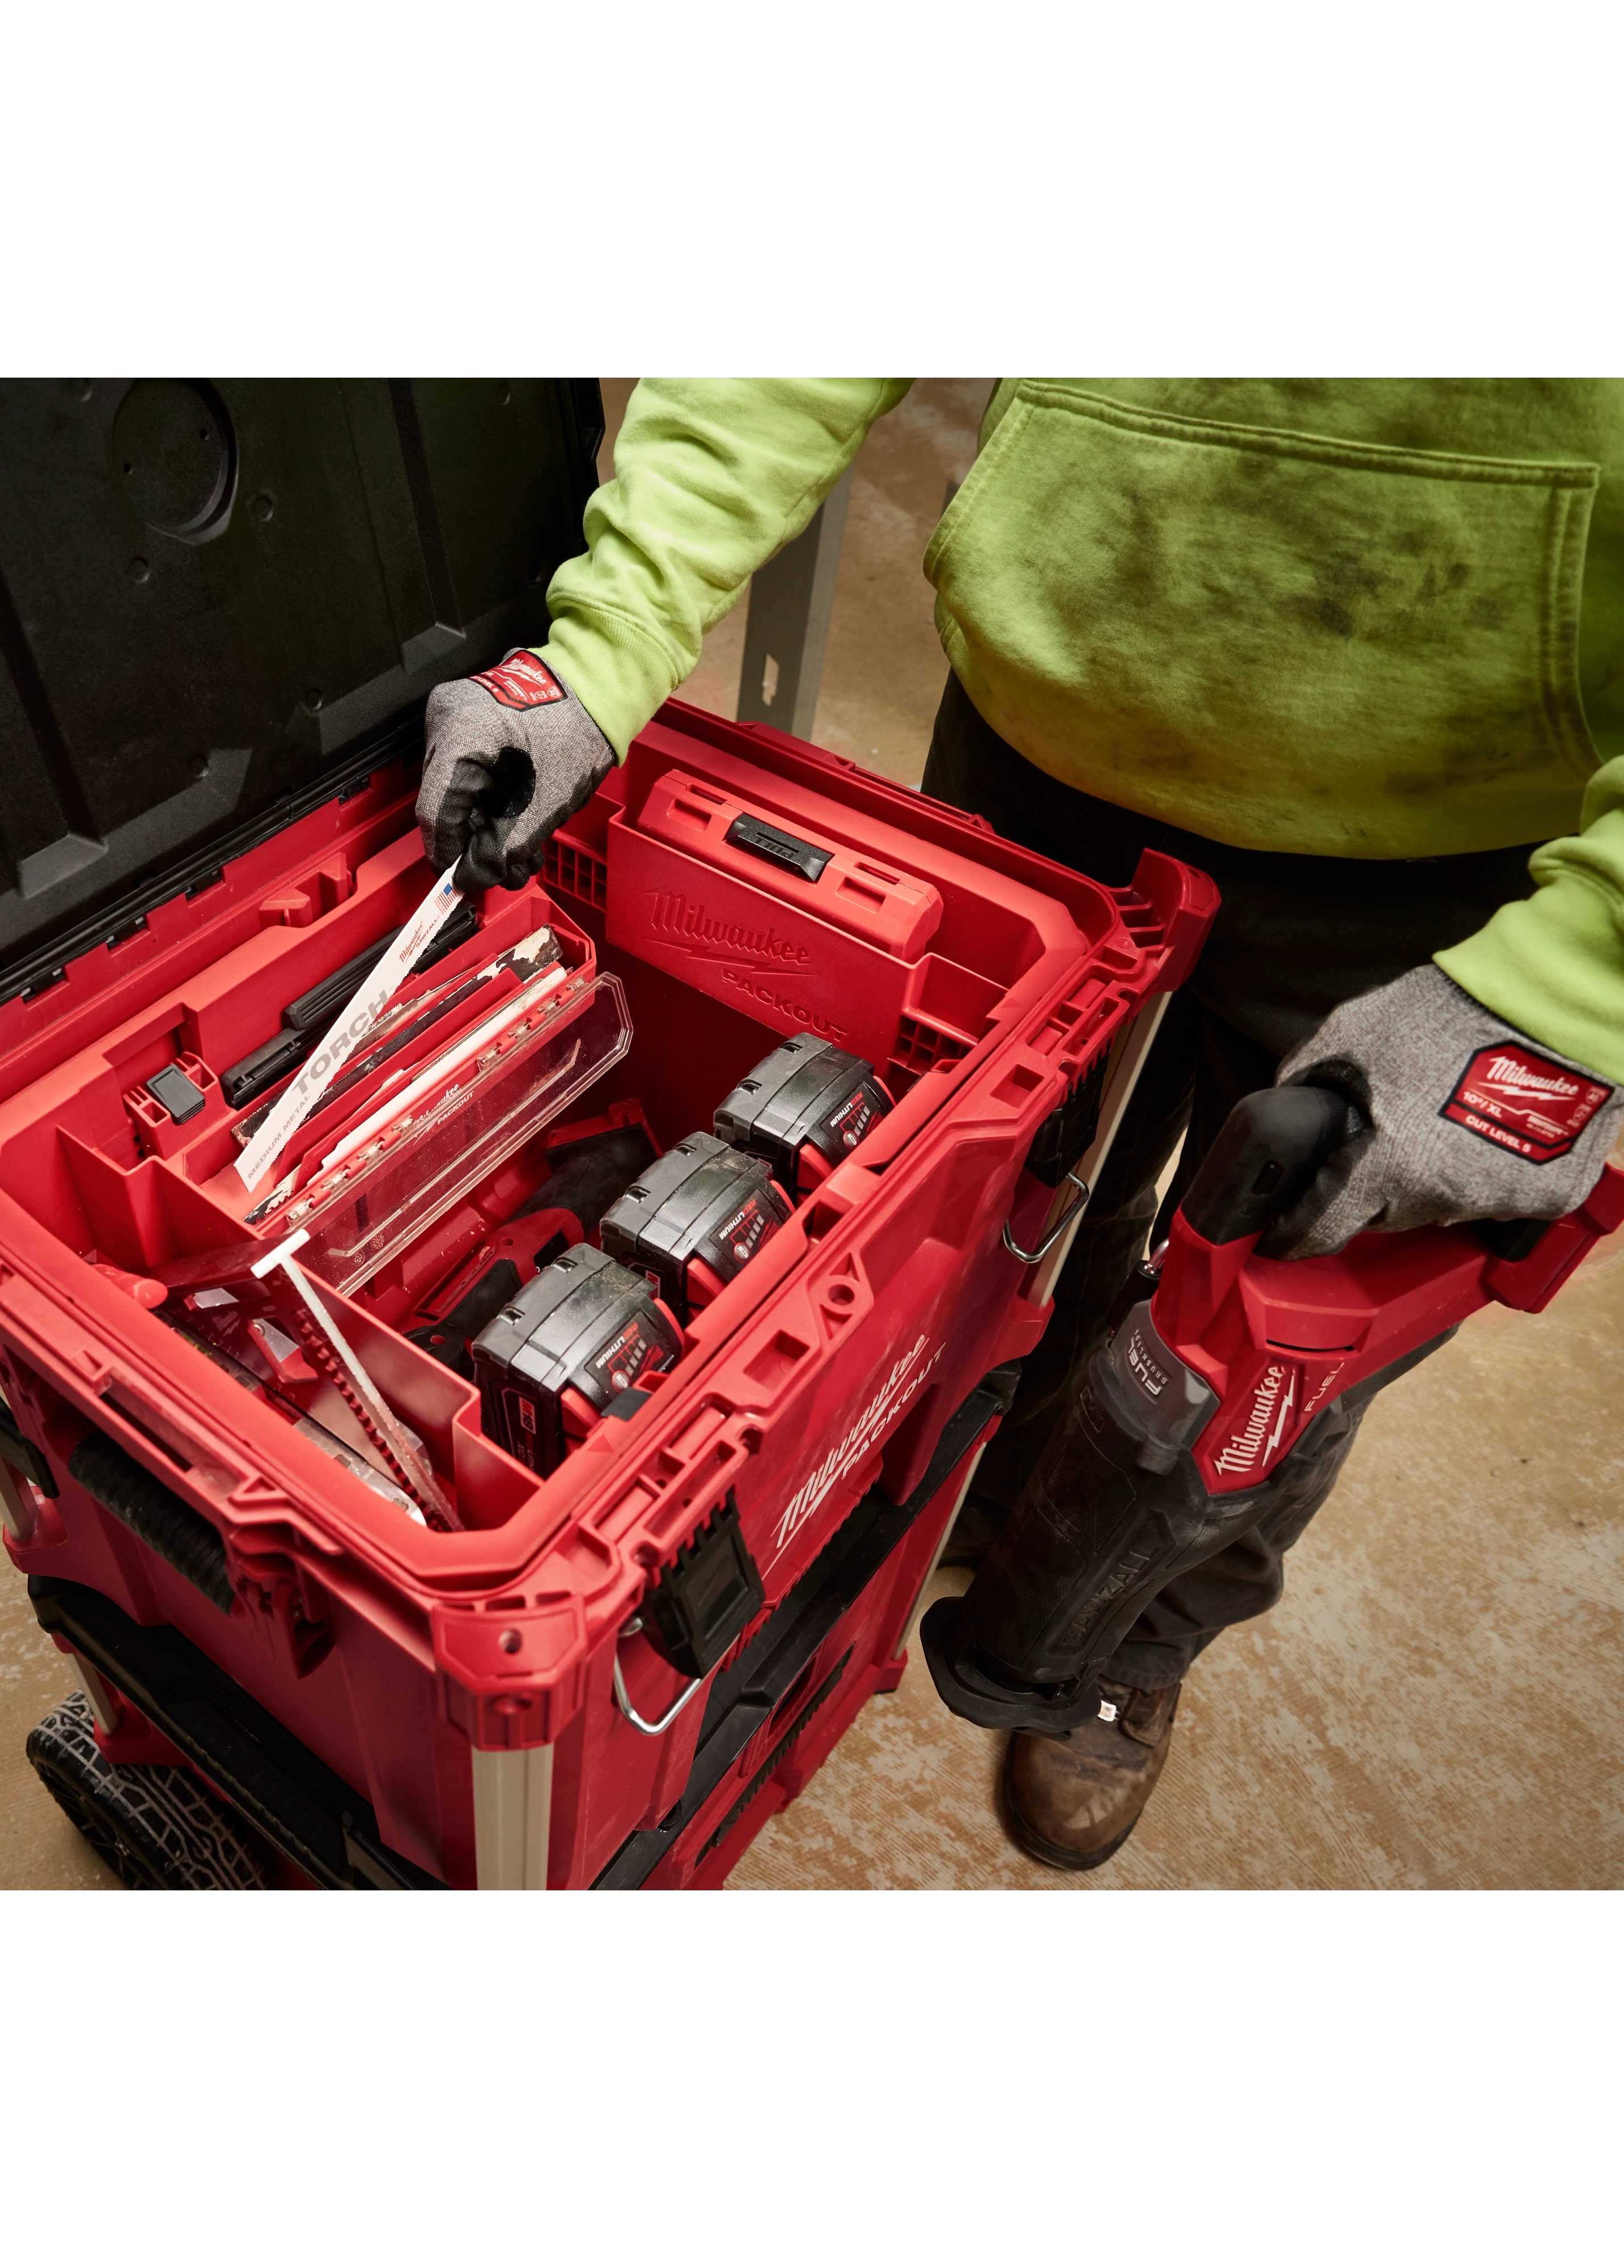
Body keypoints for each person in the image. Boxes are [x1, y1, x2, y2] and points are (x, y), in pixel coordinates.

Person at [416, 378, 1624, 1871]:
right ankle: (981, 1457)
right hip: (1050, 741)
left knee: (1265, 1342)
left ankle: (1137, 1632)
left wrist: (1583, 984)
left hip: (1459, 862)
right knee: (1029, 1209)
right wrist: (595, 659)